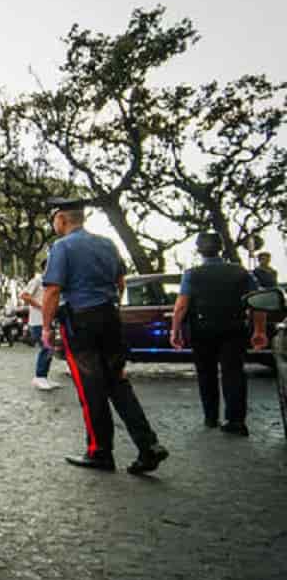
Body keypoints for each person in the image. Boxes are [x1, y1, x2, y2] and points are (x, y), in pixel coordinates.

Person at [41, 198, 169, 474]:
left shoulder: (62, 247)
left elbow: (52, 290)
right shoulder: (108, 244)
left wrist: (46, 328)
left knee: (91, 389)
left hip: (81, 322)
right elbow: (120, 283)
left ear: (62, 219)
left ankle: (100, 452)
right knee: (118, 384)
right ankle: (148, 446)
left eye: (55, 220)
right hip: (110, 318)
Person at [171, 233, 268, 436]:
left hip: (202, 330)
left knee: (206, 374)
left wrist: (176, 330)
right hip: (234, 329)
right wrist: (259, 331)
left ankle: (211, 417)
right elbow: (257, 303)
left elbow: (181, 306)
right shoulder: (241, 272)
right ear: (221, 249)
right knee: (234, 373)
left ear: (199, 250)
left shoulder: (191, 274)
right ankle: (236, 421)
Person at [21, 259, 60, 390]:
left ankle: (44, 377)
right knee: (46, 348)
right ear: (46, 268)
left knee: (50, 349)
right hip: (38, 322)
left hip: (49, 321)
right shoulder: (37, 280)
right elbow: (25, 296)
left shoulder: (51, 282)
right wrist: (42, 306)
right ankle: (39, 377)